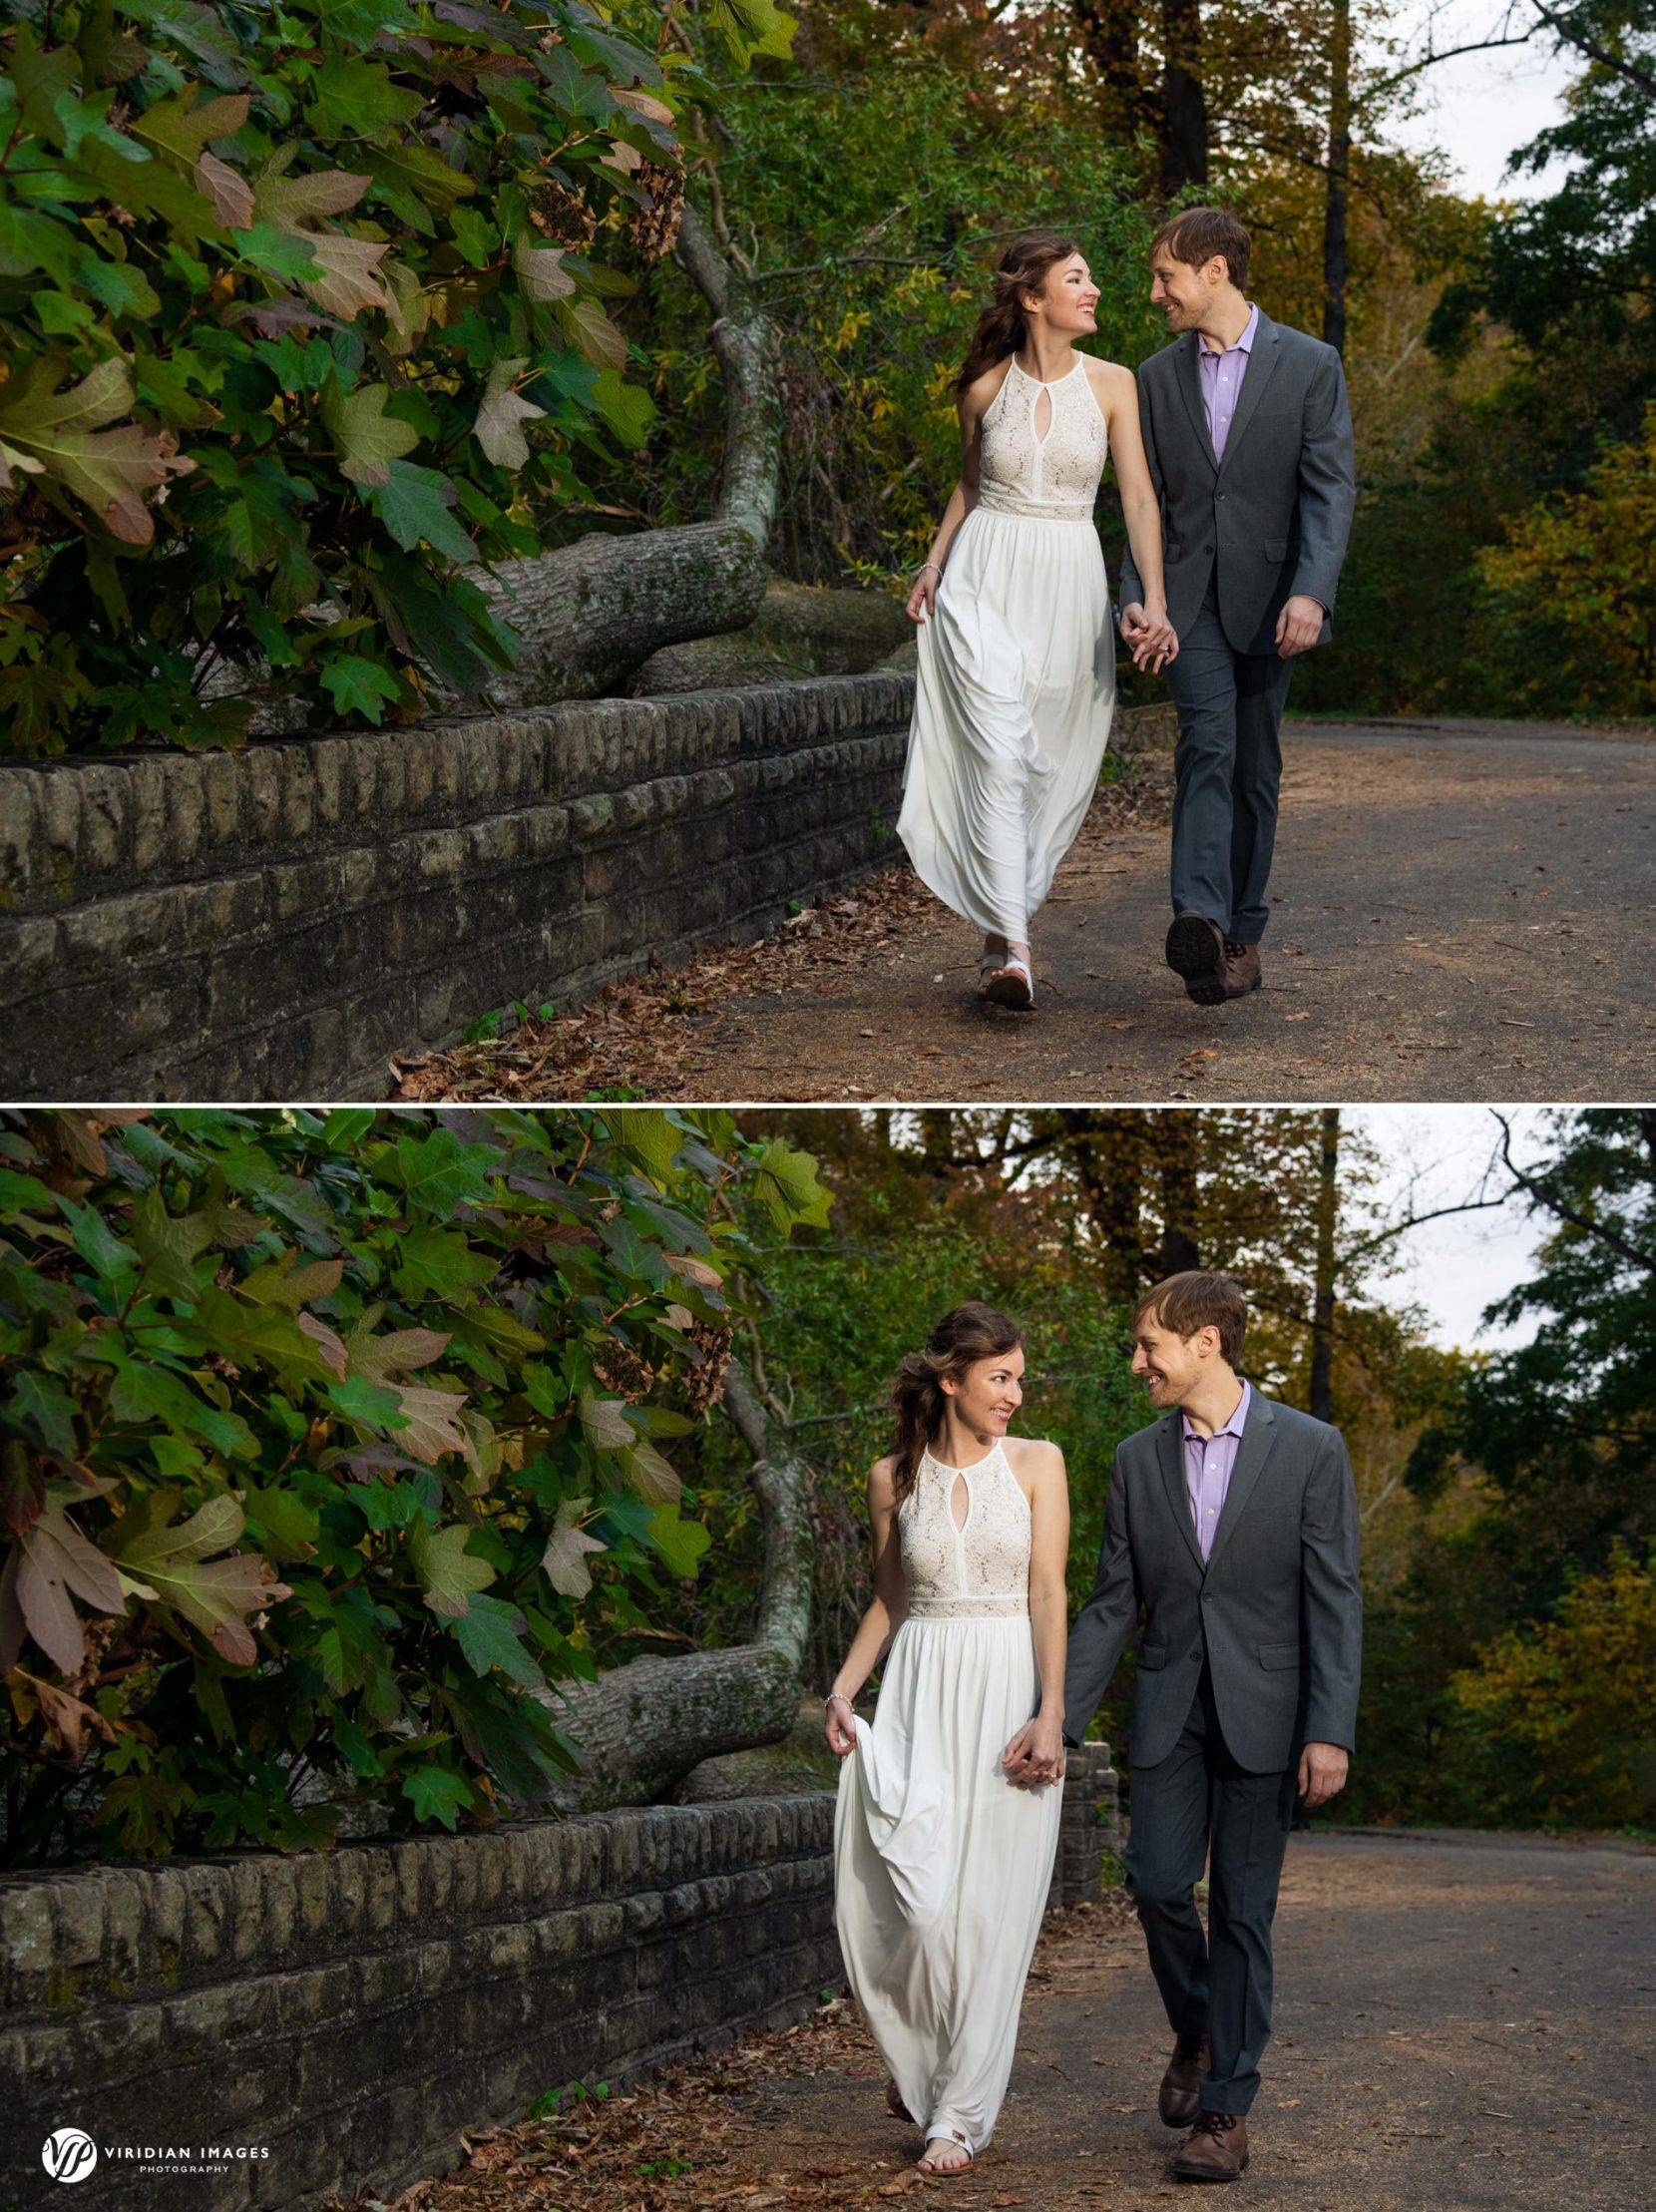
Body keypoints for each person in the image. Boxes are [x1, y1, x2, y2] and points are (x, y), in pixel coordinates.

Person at [1013, 1271, 1361, 2183]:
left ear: (1206, 1343)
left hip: (1270, 1718)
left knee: (1246, 1913)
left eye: (1148, 1346)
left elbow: (1335, 1596)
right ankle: (1202, 2026)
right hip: (1170, 1711)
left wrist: (1330, 1727)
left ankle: (1225, 2110)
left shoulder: (1312, 1448)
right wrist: (1056, 1713)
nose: (1137, 1363)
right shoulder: (1136, 1459)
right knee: (1158, 1881)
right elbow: (1110, 1602)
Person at [897, 230, 1178, 1012]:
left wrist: (1153, 602)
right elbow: (969, 488)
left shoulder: (1116, 384)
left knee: (1040, 761)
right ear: (1033, 297)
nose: (1094, 291)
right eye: (1077, 279)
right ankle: (1017, 952)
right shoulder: (984, 390)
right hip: (984, 578)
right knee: (996, 746)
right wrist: (932, 563)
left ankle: (998, 932)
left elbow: (1139, 500)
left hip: (1068, 580)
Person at [826, 1303, 1070, 2175]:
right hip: (922, 1691)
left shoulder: (1040, 1464)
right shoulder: (892, 1475)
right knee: (920, 1907)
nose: (1014, 1392)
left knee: (988, 1919)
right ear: (950, 1378)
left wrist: (1052, 1711)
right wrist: (845, 1689)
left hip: (1008, 1689)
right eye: (999, 1376)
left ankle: (957, 2116)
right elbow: (891, 1597)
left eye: (1018, 1376)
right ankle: (921, 2064)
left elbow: (1048, 1591)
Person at [1118, 209, 1356, 1007]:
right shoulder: (1153, 378)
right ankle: (1199, 918)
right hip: (1187, 603)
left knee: (1255, 766)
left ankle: (1242, 937)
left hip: (1273, 600)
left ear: (1214, 270)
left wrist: (1313, 591)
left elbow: (1331, 490)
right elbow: (1142, 502)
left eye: (1166, 276)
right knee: (1206, 747)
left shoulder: (1311, 364)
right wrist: (1135, 600)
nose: (1157, 293)